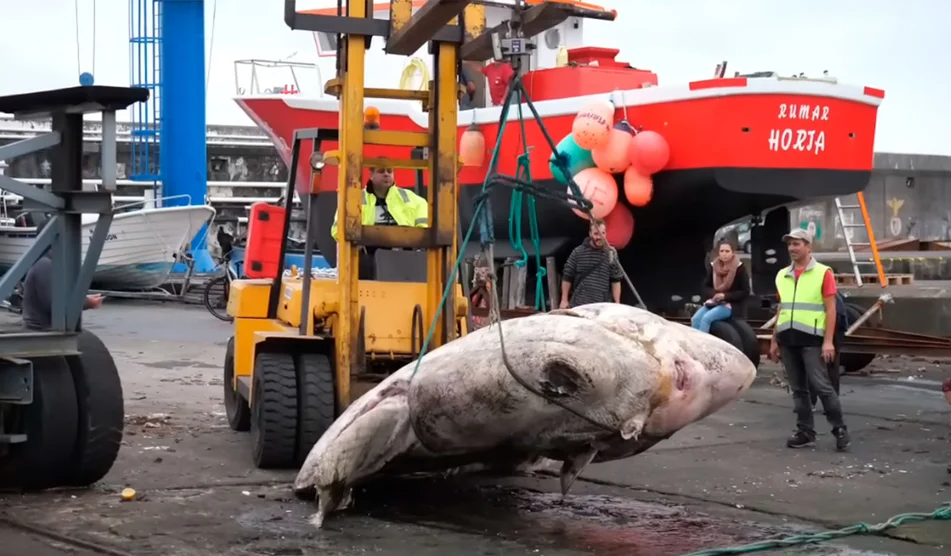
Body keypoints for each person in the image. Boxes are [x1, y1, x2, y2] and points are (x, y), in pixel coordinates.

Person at [768, 228, 850, 452]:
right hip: (788, 338)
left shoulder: (823, 273)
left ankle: (839, 429)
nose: (792, 248)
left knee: (822, 387)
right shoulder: (782, 275)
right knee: (798, 390)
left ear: (809, 247)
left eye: (797, 244)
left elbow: (830, 309)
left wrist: (828, 341)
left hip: (813, 339)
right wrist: (774, 340)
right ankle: (805, 432)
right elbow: (781, 309)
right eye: (790, 244)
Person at [329, 164, 429, 279]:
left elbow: (425, 229)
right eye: (381, 171)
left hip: (405, 256)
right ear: (371, 175)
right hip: (367, 257)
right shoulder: (353, 199)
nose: (386, 174)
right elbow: (338, 231)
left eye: (389, 171)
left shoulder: (413, 199)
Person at [22, 221, 104, 331]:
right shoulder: (45, 265)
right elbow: (56, 305)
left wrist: (85, 300)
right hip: (39, 332)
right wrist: (88, 302)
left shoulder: (46, 263)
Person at [559, 218, 623, 309]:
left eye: (602, 233)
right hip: (579, 305)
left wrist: (617, 303)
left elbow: (616, 279)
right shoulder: (578, 252)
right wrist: (564, 300)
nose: (599, 237)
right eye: (596, 234)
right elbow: (567, 276)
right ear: (590, 233)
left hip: (602, 307)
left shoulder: (611, 253)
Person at [691, 240, 751, 333]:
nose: (724, 254)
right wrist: (715, 294)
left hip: (731, 305)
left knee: (706, 319)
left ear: (733, 252)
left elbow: (745, 291)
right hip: (714, 302)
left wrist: (725, 296)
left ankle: (704, 345)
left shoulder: (740, 269)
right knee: (695, 319)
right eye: (721, 251)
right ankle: (694, 343)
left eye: (727, 251)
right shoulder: (714, 266)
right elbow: (705, 286)